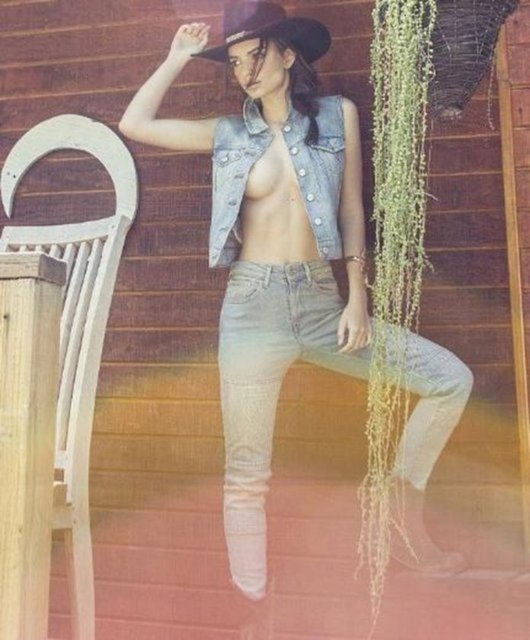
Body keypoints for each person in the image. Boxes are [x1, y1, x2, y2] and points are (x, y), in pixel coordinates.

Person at [119, 1, 474, 636]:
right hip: (251, 310)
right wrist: (176, 57)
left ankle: (396, 514)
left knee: (450, 379)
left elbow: (352, 210)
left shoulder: (338, 116)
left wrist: (357, 297)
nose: (244, 72)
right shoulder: (228, 133)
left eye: (255, 56)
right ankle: (253, 607)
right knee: (246, 474)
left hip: (321, 304)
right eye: (234, 62)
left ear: (288, 54)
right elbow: (134, 123)